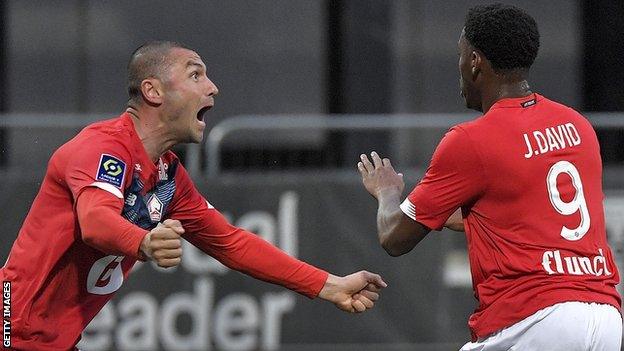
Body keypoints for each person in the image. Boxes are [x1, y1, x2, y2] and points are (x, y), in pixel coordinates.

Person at [0, 41, 387, 350]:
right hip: (9, 329)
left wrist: (328, 285)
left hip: (56, 340)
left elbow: (231, 243)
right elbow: (95, 222)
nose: (213, 86)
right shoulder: (103, 148)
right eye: (196, 74)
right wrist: (145, 242)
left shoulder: (168, 174)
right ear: (153, 91)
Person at [358, 4, 621, 351]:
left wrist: (387, 191)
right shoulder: (578, 126)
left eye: (460, 54)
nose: (459, 66)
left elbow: (394, 237)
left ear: (475, 61)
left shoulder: (471, 140)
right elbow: (528, 215)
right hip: (605, 319)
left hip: (535, 319)